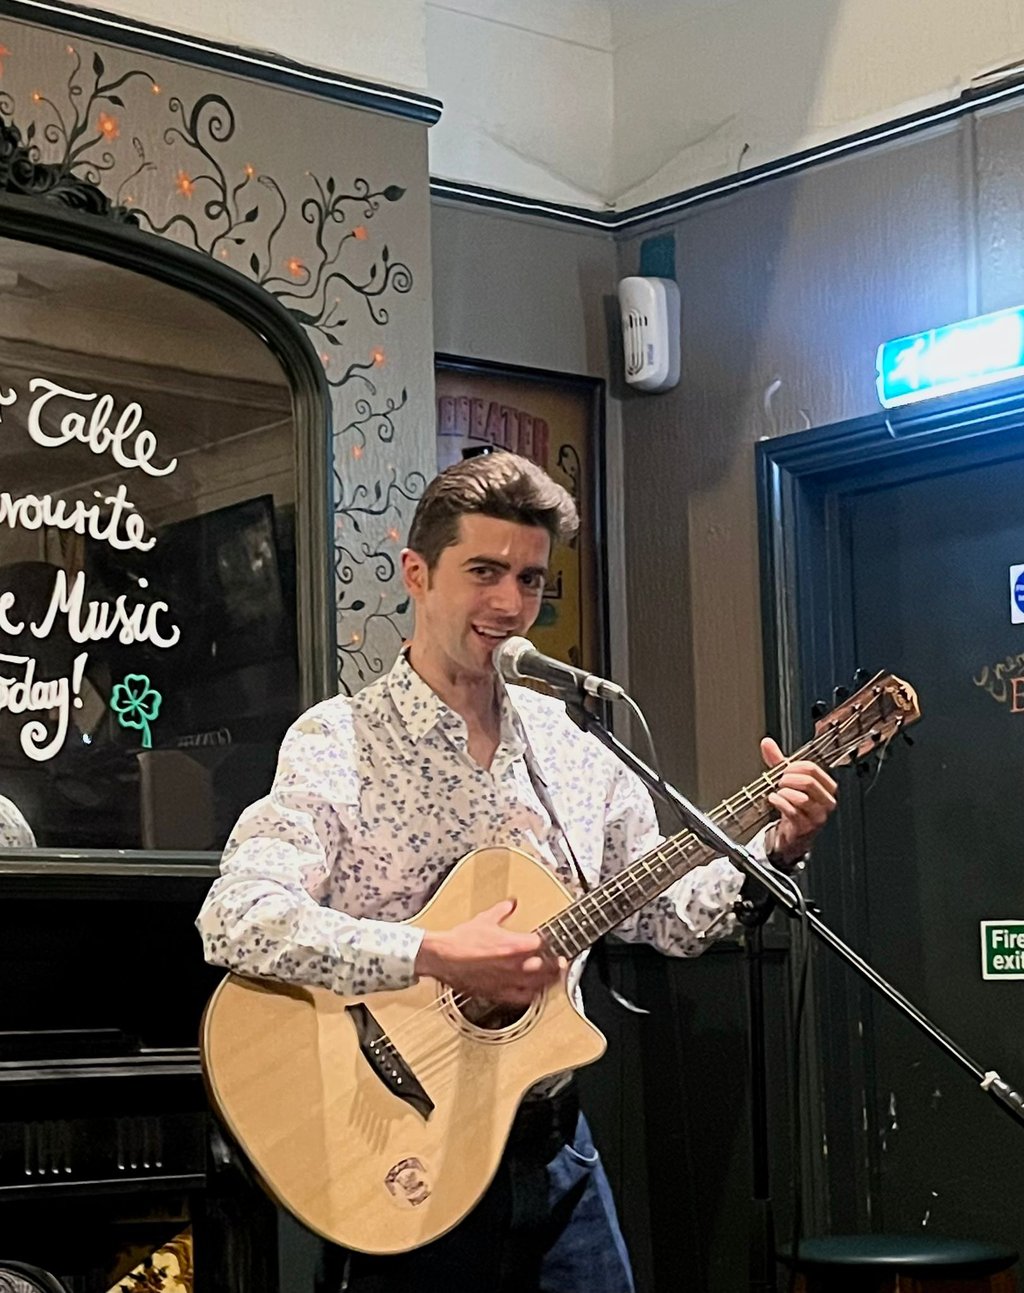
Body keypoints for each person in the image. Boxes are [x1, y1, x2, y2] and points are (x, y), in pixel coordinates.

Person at [197, 450, 837, 1292]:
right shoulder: (339, 739)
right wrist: (432, 954)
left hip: (555, 1145)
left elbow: (667, 916)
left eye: (530, 579)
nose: (510, 603)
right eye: (484, 571)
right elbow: (237, 916)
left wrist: (775, 849)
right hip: (401, 1148)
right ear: (417, 574)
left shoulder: (576, 744)